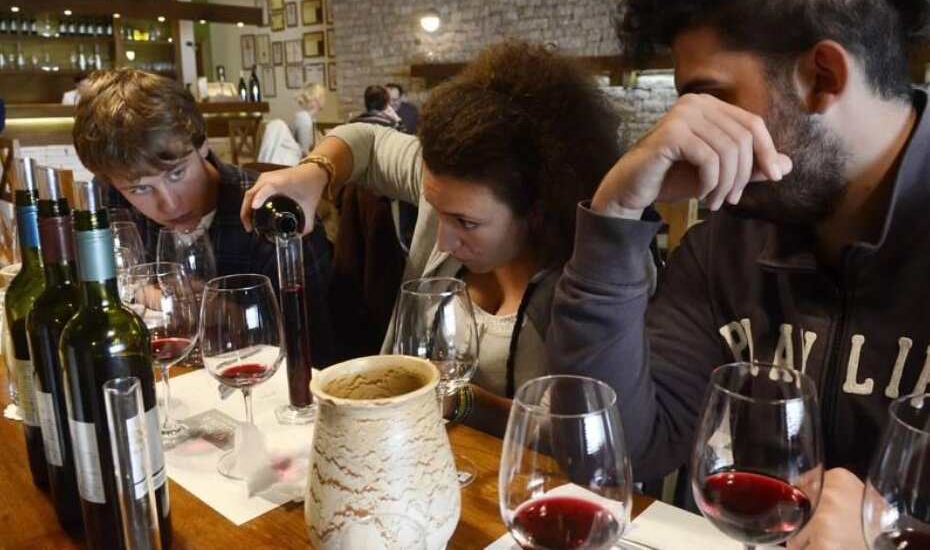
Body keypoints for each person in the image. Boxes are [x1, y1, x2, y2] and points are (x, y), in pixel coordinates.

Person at [547, 0, 930, 549]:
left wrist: (899, 539)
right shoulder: (725, 243)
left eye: (709, 97)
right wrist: (616, 212)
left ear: (823, 76)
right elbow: (620, 449)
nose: (688, 129)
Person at [242, 41, 628, 435]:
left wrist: (458, 400)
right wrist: (314, 172)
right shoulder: (450, 177)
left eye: (466, 222)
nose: (443, 240)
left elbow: (574, 431)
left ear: (537, 210)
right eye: (434, 208)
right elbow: (368, 141)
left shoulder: (593, 277)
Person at [72, 69, 337, 366]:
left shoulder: (278, 218)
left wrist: (238, 314)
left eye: (177, 173)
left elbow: (318, 354)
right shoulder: (113, 201)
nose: (169, 204)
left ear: (203, 143)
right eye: (141, 188)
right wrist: (150, 292)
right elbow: (106, 283)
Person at [292, 81, 327, 155]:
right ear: (317, 98)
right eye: (323, 96)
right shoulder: (304, 119)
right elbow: (304, 151)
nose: (325, 99)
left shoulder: (311, 118)